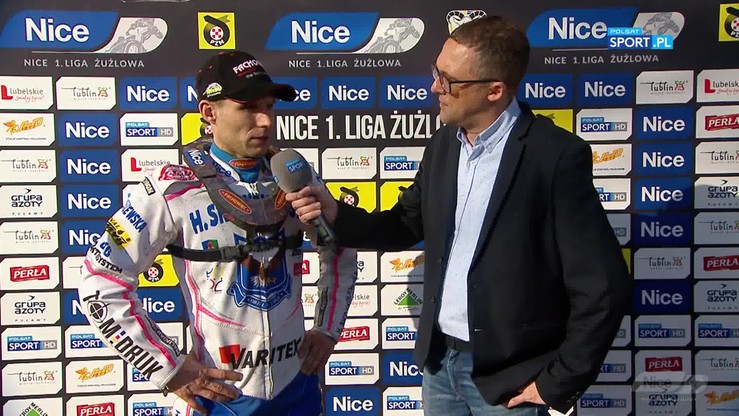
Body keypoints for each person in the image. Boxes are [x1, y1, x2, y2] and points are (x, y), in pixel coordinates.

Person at [287, 16, 631, 416]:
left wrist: (559, 381)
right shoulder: (443, 145)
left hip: (510, 381)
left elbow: (602, 284)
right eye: (436, 72)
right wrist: (337, 215)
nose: (435, 87)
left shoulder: (554, 156)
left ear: (494, 90)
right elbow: (404, 224)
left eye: (448, 80)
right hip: (439, 366)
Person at [78, 50, 358, 416]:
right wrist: (167, 367)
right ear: (209, 113)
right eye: (248, 107)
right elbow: (101, 278)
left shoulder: (295, 177)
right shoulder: (172, 189)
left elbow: (340, 250)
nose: (265, 121)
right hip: (223, 396)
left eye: (269, 107)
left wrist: (328, 329)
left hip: (296, 388)